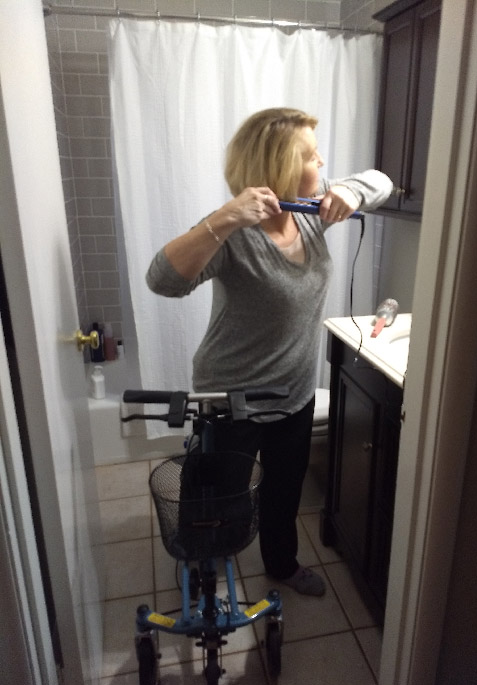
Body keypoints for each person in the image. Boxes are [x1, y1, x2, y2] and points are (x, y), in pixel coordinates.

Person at [146, 107, 392, 596]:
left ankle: (281, 564)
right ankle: (202, 563)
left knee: (282, 494)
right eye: (310, 155)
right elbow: (163, 281)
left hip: (294, 394)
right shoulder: (232, 234)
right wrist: (221, 219)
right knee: (220, 494)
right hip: (230, 396)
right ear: (279, 164)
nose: (322, 161)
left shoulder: (314, 215)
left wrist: (349, 191)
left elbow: (381, 180)